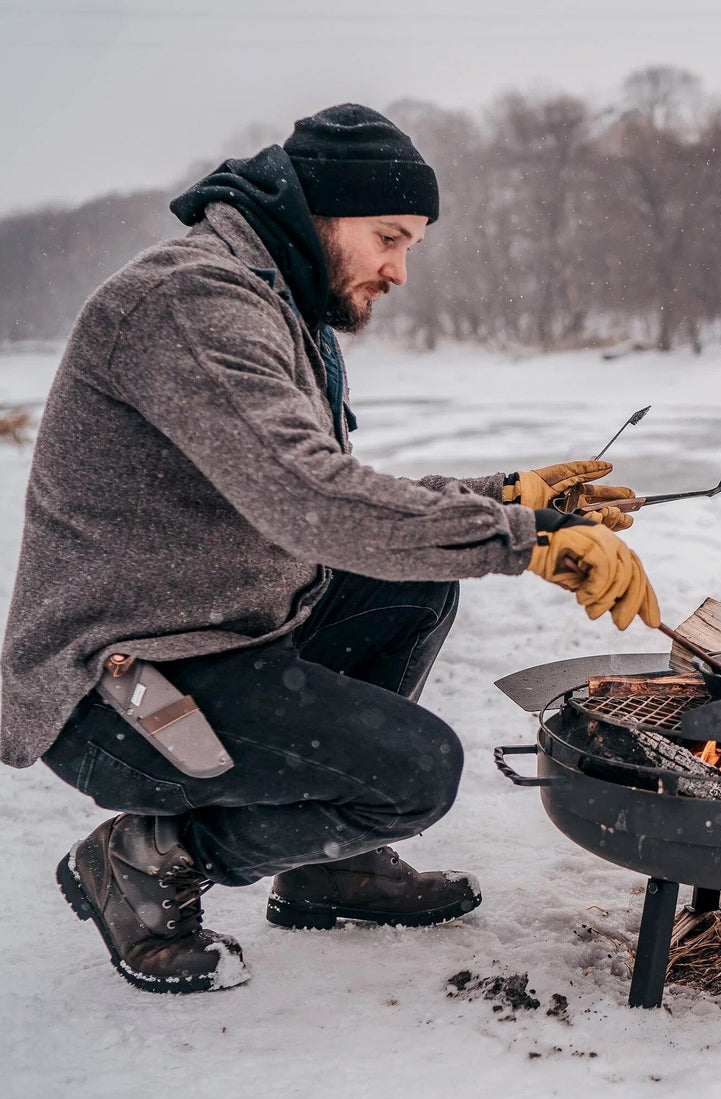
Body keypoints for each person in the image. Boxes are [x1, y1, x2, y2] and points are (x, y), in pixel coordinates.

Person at [0, 104, 659, 994]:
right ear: (317, 213)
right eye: (389, 237)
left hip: (218, 631)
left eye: (411, 246)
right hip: (121, 683)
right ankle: (147, 857)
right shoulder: (189, 301)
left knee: (413, 589)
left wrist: (503, 496)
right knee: (415, 773)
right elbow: (312, 503)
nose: (397, 269)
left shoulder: (274, 301)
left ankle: (329, 866)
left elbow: (328, 490)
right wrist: (526, 539)